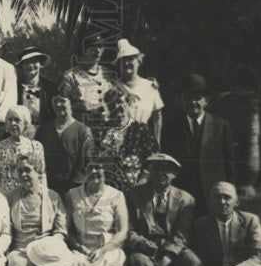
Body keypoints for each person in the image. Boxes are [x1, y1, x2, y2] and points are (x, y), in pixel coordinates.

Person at [160, 73, 236, 213]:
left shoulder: (221, 126)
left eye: (197, 98)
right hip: (181, 195)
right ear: (182, 100)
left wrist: (229, 192)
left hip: (211, 194)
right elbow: (166, 164)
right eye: (188, 98)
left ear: (205, 101)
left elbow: (229, 163)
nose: (193, 102)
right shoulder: (171, 128)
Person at [95, 84, 159, 193]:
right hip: (107, 192)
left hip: (137, 191)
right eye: (112, 105)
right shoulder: (101, 132)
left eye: (120, 102)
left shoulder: (141, 130)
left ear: (129, 104)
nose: (117, 107)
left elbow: (154, 161)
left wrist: (142, 183)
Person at [35, 94, 95, 198]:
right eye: (55, 101)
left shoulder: (83, 131)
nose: (58, 104)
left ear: (71, 103)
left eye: (62, 101)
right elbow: (36, 157)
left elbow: (84, 163)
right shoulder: (43, 130)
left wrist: (71, 190)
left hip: (73, 190)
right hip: (47, 189)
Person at [58, 28, 116, 129]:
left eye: (100, 47)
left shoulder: (108, 74)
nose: (98, 51)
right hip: (82, 129)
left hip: (108, 129)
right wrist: (78, 106)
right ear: (84, 50)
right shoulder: (71, 76)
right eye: (93, 47)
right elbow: (60, 106)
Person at [115, 39, 163, 143]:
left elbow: (157, 117)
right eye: (124, 60)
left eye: (131, 59)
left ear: (139, 61)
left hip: (142, 142)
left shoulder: (150, 86)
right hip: (118, 142)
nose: (127, 63)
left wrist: (157, 142)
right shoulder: (113, 87)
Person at [0, 105, 46, 196]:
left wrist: (42, 197)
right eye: (10, 120)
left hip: (27, 196)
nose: (13, 123)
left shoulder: (36, 147)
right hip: (4, 197)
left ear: (25, 123)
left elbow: (42, 177)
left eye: (17, 120)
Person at [15, 46, 57, 133]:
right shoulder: (15, 87)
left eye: (34, 62)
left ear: (41, 64)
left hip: (45, 134)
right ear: (22, 66)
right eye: (27, 62)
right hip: (20, 133)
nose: (31, 65)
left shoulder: (50, 87)